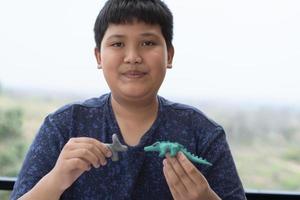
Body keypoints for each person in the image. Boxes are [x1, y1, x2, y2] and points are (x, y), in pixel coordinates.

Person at [11, 0, 246, 199]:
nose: (133, 57)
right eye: (117, 44)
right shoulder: (63, 125)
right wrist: (56, 179)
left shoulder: (203, 133)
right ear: (99, 56)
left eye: (148, 43)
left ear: (169, 55)